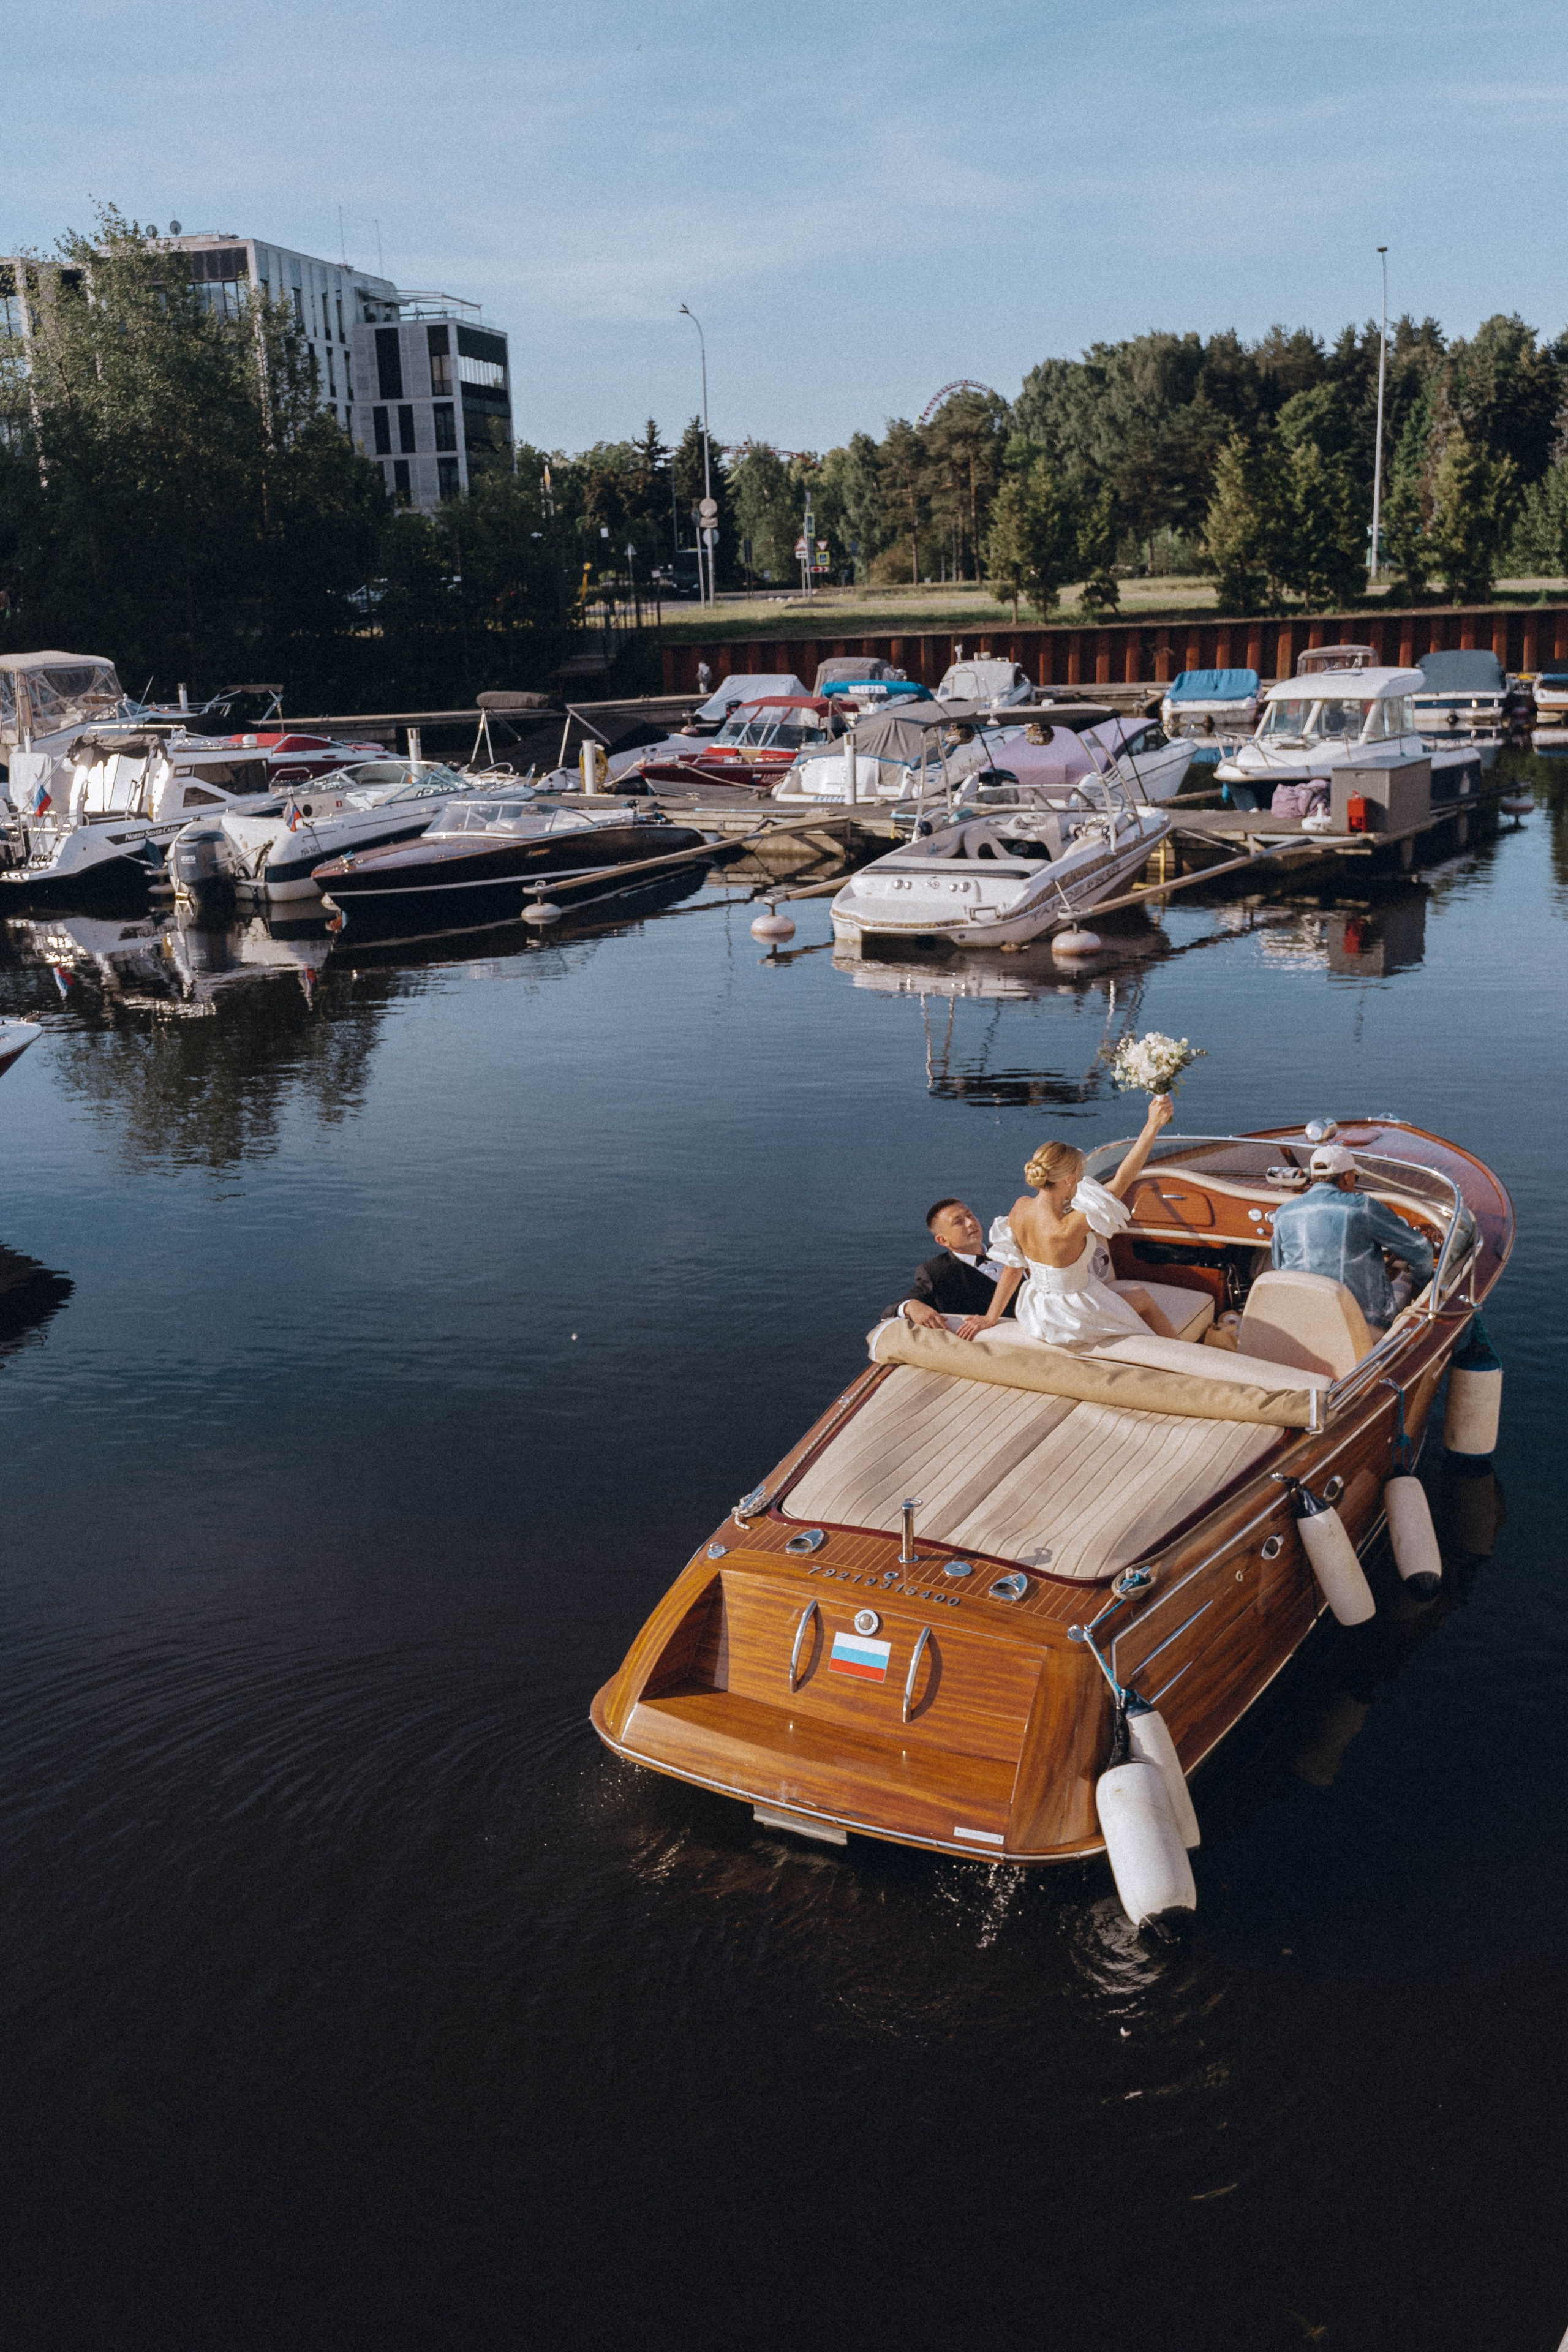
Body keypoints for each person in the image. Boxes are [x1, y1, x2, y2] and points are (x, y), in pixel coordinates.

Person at [959, 1097, 1183, 1349]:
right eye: (1079, 1175)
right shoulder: (1067, 1228)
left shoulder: (1020, 1208)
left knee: (1132, 1297)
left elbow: (1012, 1269)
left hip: (1038, 1310)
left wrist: (991, 1318)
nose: (1081, 1180)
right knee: (1142, 1297)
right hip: (1074, 1315)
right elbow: (1122, 1179)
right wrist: (1152, 1125)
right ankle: (1182, 1356)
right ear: (1066, 1180)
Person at [1268, 1143, 1433, 1329]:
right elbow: (1423, 1252)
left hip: (1303, 1321)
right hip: (1362, 1325)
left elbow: (1279, 1265)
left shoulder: (1284, 1213)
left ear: (1314, 1178)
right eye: (1355, 1177)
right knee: (1405, 1279)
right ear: (1346, 1177)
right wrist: (1421, 1282)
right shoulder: (1363, 1207)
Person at [892, 1199, 1018, 1330]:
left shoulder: (1008, 1250)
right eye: (958, 1222)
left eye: (970, 1215)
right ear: (943, 1240)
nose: (970, 1223)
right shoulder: (937, 1272)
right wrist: (911, 1306)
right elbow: (895, 1307)